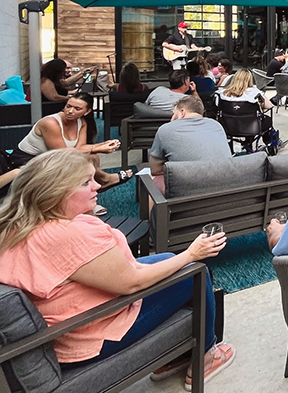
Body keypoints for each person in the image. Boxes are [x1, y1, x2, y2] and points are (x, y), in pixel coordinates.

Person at [0, 149, 234, 389]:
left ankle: (178, 355)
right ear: (55, 193)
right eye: (85, 183)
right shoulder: (67, 236)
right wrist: (192, 253)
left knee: (166, 258)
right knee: (196, 272)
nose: (97, 186)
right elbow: (133, 282)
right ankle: (206, 357)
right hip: (91, 332)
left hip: (70, 318)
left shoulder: (20, 224)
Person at [1, 93, 130, 202]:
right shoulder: (51, 123)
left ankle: (87, 197)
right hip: (27, 160)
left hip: (51, 158)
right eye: (68, 106)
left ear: (87, 111)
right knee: (79, 163)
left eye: (77, 109)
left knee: (91, 157)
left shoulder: (81, 122)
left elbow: (80, 147)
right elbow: (62, 152)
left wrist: (100, 145)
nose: (70, 111)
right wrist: (97, 147)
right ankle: (99, 184)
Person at [148, 95, 232, 195]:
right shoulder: (216, 125)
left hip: (188, 194)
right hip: (226, 188)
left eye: (174, 114)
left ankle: (151, 211)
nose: (171, 118)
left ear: (182, 112)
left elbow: (155, 170)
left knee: (154, 180)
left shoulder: (166, 129)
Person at [216, 68, 278, 149]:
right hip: (251, 127)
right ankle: (269, 143)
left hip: (228, 126)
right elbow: (269, 106)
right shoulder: (254, 93)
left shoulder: (222, 93)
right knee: (267, 120)